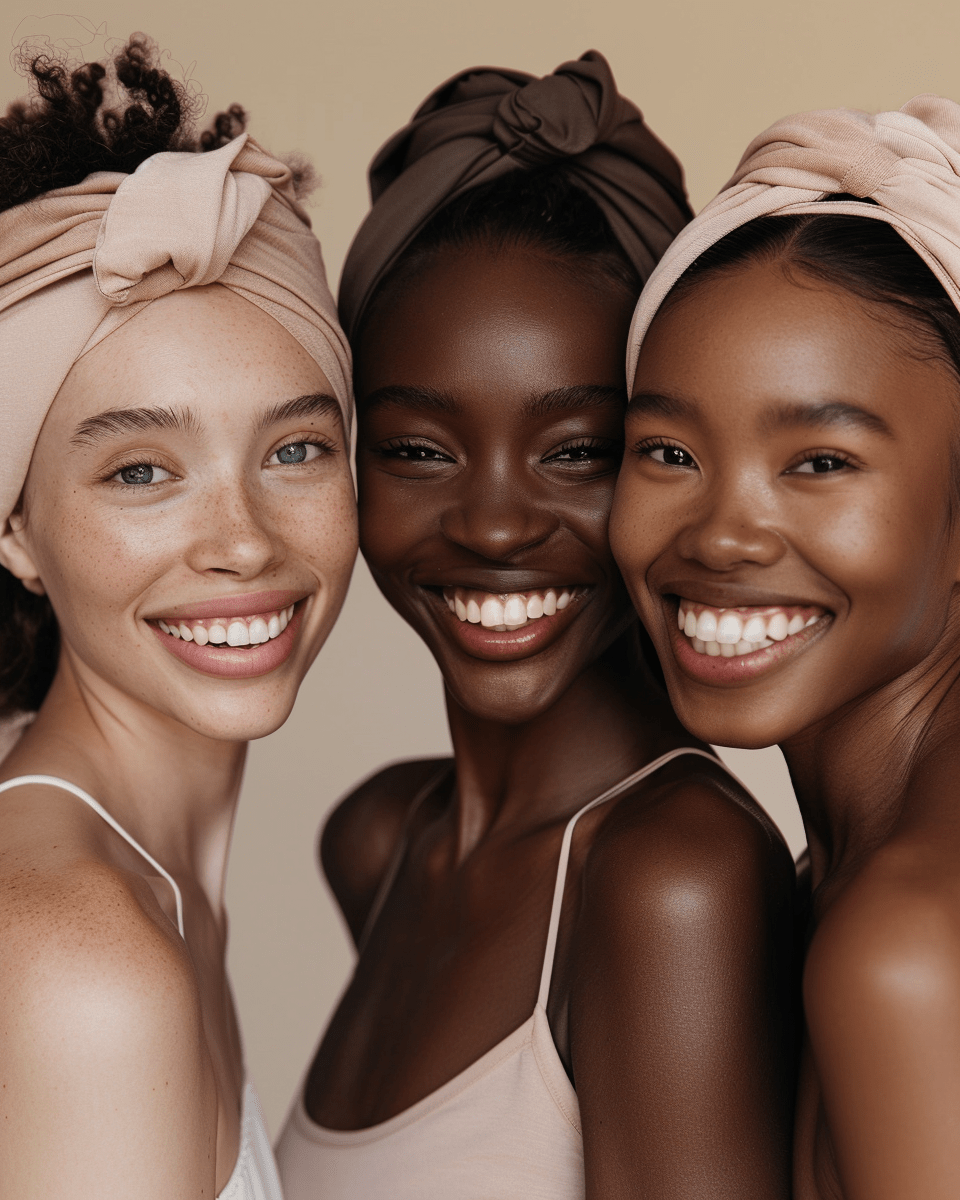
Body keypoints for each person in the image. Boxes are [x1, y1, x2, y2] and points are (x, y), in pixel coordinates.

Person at [277, 51, 798, 1200]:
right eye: (419, 447)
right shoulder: (379, 842)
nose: (498, 525)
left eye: (580, 452)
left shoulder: (671, 880)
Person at [0, 38, 357, 1199]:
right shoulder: (81, 965)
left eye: (296, 449)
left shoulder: (136, 885)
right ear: (15, 529)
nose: (244, 541)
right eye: (142, 472)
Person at [610, 95, 960, 1200]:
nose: (720, 533)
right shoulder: (858, 875)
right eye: (666, 450)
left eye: (818, 462)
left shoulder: (904, 948)